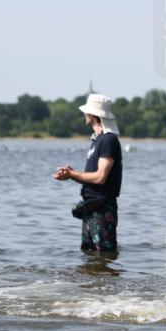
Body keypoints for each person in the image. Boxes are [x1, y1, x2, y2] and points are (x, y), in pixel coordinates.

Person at [53, 94, 122, 253]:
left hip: (103, 208)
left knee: (104, 253)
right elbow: (92, 178)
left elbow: (100, 177)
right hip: (91, 206)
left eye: (87, 111)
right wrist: (72, 174)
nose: (84, 114)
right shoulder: (97, 140)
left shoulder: (108, 140)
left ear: (94, 115)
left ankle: (107, 278)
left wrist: (72, 174)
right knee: (90, 254)